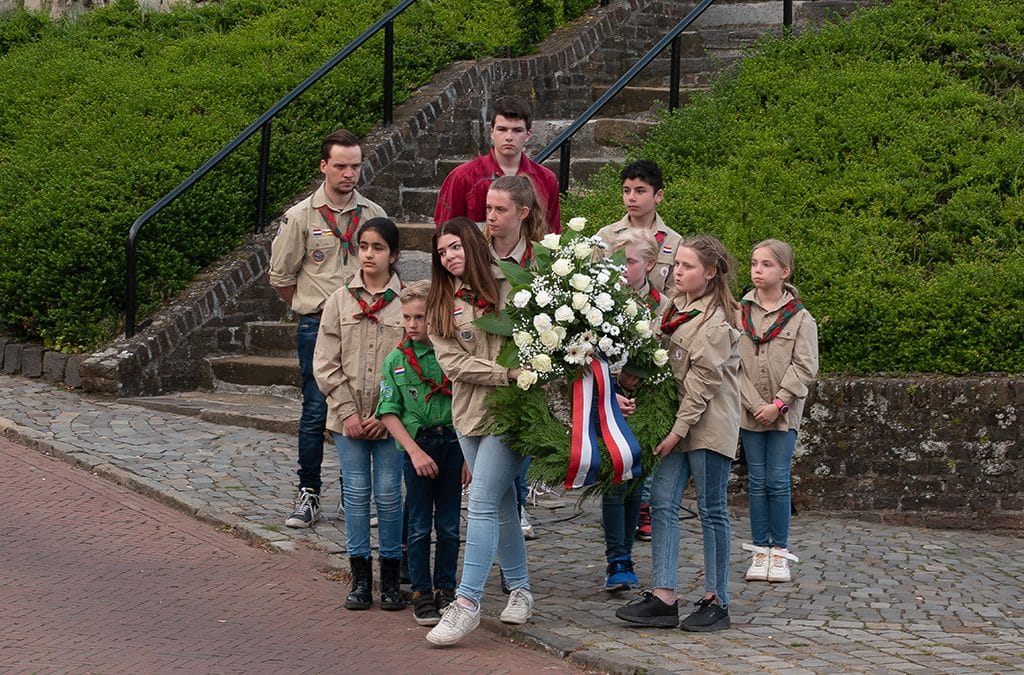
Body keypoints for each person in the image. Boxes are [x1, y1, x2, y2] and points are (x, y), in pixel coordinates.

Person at [615, 235, 740, 633]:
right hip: (673, 422)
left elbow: (703, 385)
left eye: (687, 266)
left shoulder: (717, 321)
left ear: (711, 273)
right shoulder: (672, 306)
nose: (678, 272)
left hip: (706, 425)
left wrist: (675, 431)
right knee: (665, 504)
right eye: (677, 265)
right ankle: (664, 595)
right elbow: (653, 357)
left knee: (712, 510)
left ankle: (716, 599)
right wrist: (627, 382)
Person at [269, 129, 386, 528]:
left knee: (362, 406)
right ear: (323, 166)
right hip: (318, 325)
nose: (349, 173)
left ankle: (354, 493)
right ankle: (309, 493)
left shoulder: (373, 214)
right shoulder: (302, 216)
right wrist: (315, 311)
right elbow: (282, 278)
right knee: (317, 410)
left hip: (366, 324)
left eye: (355, 166)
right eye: (340, 166)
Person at [424, 217, 533, 646]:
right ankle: (521, 590)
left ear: (473, 244)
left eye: (455, 247)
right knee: (502, 504)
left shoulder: (513, 285)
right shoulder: (440, 302)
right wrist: (506, 373)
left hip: (512, 413)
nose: (449, 256)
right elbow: (454, 364)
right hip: (470, 413)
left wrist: (520, 376)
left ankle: (466, 603)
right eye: (442, 251)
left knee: (483, 501)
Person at [313, 217, 406, 611]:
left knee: (388, 495)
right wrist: (349, 412)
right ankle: (359, 577)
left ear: (394, 255)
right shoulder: (339, 301)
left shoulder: (408, 302)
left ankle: (390, 579)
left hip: (391, 420)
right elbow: (325, 362)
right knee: (355, 494)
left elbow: (415, 364)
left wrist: (387, 414)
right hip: (347, 419)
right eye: (364, 246)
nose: (370, 254)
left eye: (378, 248)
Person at [375, 280, 467, 627]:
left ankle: (446, 588)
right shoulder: (397, 360)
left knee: (448, 526)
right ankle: (421, 592)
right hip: (418, 448)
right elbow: (388, 410)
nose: (412, 324)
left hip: (454, 445)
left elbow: (466, 404)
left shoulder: (452, 353)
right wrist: (413, 452)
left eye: (421, 317)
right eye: (407, 318)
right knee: (416, 526)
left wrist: (469, 457)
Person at [483, 175, 565, 542]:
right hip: (481, 368)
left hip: (526, 371)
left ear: (523, 212)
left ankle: (516, 518)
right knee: (484, 482)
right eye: (488, 208)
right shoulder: (473, 252)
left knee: (514, 455)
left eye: (501, 210)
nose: (492, 217)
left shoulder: (541, 260)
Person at [737, 239, 819, 583]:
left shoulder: (800, 318)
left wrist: (778, 404)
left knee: (778, 480)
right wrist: (756, 404)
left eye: (767, 265)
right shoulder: (739, 313)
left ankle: (779, 552)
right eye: (755, 263)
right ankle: (760, 551)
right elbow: (733, 363)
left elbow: (805, 366)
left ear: (785, 272)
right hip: (749, 411)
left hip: (784, 413)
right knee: (756, 481)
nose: (758, 270)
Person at [599, 229, 668, 591]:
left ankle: (626, 550)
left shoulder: (663, 305)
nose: (622, 268)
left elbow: (665, 355)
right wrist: (612, 393)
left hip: (646, 403)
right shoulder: (599, 302)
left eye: (629, 261)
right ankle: (617, 559)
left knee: (636, 481)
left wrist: (638, 386)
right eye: (617, 261)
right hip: (610, 401)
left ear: (650, 264)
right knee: (614, 479)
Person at [434, 95, 561, 233]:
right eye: (502, 129)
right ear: (491, 132)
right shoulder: (462, 177)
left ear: (528, 134)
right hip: (477, 253)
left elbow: (551, 233)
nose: (509, 137)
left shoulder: (546, 179)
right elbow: (446, 232)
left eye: (517, 130)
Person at [596, 160, 681, 294]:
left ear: (658, 196)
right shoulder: (606, 235)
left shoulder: (674, 241)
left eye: (640, 191)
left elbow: (677, 292)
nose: (631, 198)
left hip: (657, 311)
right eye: (626, 191)